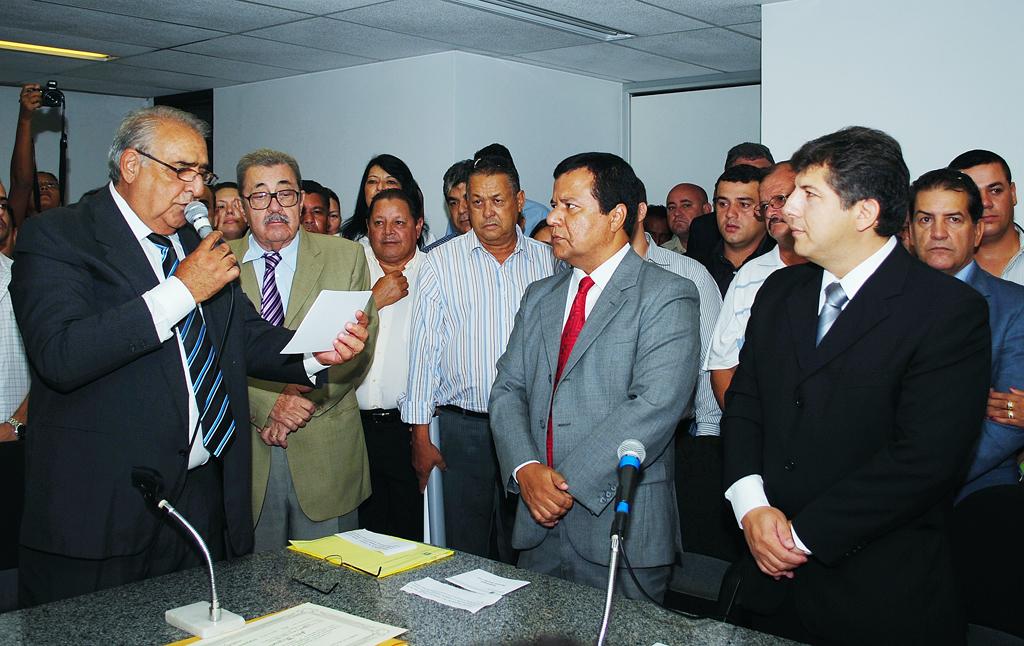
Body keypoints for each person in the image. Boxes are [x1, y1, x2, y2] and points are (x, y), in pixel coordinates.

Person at [9, 106, 369, 606]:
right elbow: (61, 356)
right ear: (131, 165)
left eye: (202, 173)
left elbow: (245, 333)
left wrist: (314, 353)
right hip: (103, 515)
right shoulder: (58, 237)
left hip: (196, 505)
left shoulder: (191, 241)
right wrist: (181, 290)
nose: (196, 188)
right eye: (182, 170)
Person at [721, 126, 990, 644]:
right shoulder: (780, 289)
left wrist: (798, 536)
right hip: (768, 587)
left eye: (809, 195)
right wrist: (751, 506)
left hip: (879, 595)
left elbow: (924, 460)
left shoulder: (946, 310)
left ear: (864, 213)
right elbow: (746, 402)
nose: (787, 209)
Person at [490, 152, 700, 601]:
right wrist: (527, 471)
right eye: (554, 205)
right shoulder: (540, 296)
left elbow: (655, 405)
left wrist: (561, 487)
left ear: (616, 217)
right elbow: (508, 389)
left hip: (621, 531)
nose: (552, 218)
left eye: (570, 206)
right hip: (537, 526)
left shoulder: (667, 295)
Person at [402, 155, 557, 559]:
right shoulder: (440, 264)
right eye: (475, 202)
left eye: (497, 200)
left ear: (519, 201)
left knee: (524, 545)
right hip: (462, 429)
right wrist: (420, 435)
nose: (486, 212)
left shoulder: (549, 262)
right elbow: (423, 352)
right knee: (463, 548)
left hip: (529, 427)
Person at [228, 149, 376, 551]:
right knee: (257, 594)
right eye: (259, 196)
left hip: (326, 449)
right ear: (243, 206)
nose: (274, 206)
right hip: (249, 455)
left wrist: (297, 401)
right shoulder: (217, 266)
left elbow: (358, 351)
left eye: (285, 194)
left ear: (300, 198)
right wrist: (269, 405)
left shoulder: (345, 256)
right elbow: (209, 356)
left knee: (335, 593)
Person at [905, 168, 1024, 502]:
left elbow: (1007, 421)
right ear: (910, 232)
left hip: (978, 488)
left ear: (977, 231)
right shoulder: (877, 303)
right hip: (879, 489)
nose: (939, 233)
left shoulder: (1014, 307)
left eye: (954, 220)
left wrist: (922, 482)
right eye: (925, 220)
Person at [706, 162, 806, 406]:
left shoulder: (833, 268)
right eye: (765, 205)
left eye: (781, 199)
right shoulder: (749, 275)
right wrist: (743, 429)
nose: (772, 211)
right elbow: (723, 366)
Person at [357, 189, 426, 541]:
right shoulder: (348, 265)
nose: (388, 232)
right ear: (367, 227)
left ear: (418, 226)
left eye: (399, 222)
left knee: (408, 533)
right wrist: (374, 298)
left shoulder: (435, 273)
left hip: (409, 431)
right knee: (358, 536)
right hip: (352, 430)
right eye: (379, 223)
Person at [948, 150, 1023, 285]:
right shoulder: (938, 265)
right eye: (974, 194)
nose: (985, 203)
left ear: (1013, 194)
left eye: (995, 190)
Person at [698, 164, 775, 295]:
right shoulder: (695, 267)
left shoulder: (782, 265)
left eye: (744, 204)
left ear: (764, 208)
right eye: (723, 204)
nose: (730, 213)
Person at [341, 154, 426, 247]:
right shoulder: (342, 240)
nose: (380, 187)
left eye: (390, 182)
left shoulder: (427, 240)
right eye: (372, 181)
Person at [8, 83, 62, 227]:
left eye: (51, 185)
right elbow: (21, 183)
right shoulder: (17, 229)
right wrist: (25, 118)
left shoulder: (72, 227)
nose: (44, 188)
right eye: (37, 185)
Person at [0, 181, 29, 443]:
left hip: (12, 446)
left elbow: (54, 365)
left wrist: (15, 425)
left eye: (1, 204)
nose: (0, 212)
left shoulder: (24, 279)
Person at [424, 159, 473, 253]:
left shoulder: (504, 249)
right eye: (453, 203)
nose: (461, 210)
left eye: (467, 198)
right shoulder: (433, 255)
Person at [662, 182, 711, 254]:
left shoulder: (725, 249)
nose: (676, 213)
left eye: (686, 206)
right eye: (671, 207)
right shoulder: (660, 255)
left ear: (706, 210)